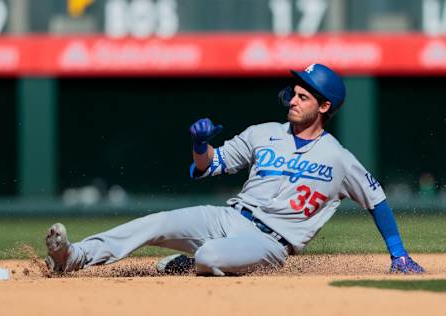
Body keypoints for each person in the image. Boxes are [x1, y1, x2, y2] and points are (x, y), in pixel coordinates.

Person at [45, 63, 424, 276]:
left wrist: (398, 254)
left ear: (324, 107)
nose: (293, 99)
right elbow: (212, 167)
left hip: (270, 243)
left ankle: (189, 262)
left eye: (303, 96)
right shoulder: (263, 133)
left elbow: (377, 201)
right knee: (156, 223)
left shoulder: (339, 159)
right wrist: (199, 147)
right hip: (228, 216)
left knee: (209, 257)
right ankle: (73, 257)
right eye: (293, 92)